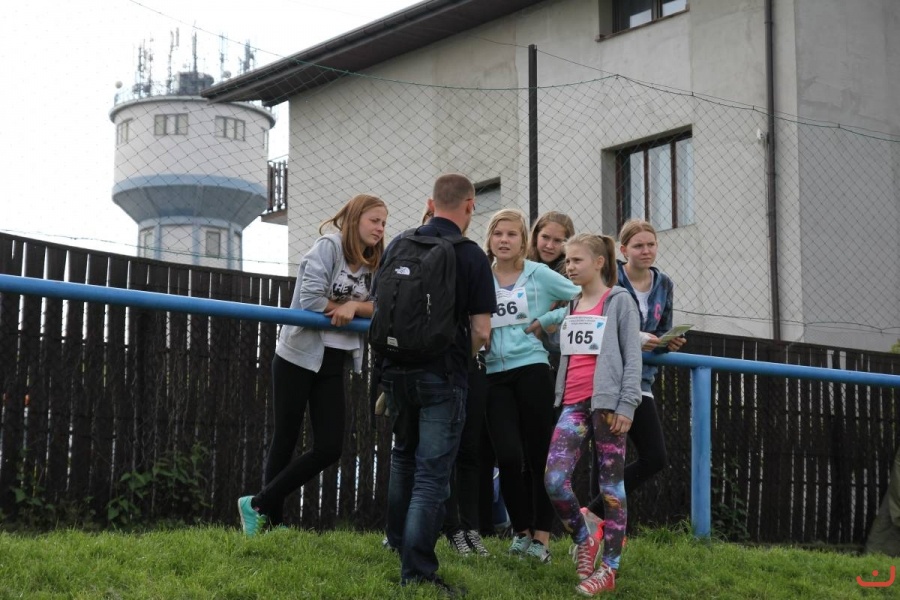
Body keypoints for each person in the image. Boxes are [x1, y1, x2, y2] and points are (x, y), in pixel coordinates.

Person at [237, 194, 387, 534]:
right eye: (374, 220)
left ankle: (256, 503)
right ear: (355, 220)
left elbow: (381, 306)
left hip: (334, 360)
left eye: (383, 222)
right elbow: (310, 299)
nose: (380, 228)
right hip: (297, 355)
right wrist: (345, 307)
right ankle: (271, 522)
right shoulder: (329, 248)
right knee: (286, 438)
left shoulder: (375, 262)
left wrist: (354, 308)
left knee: (330, 446)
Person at [380, 174, 494, 595]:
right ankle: (417, 572)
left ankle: (395, 543)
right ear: (470, 206)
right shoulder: (470, 254)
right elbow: (481, 330)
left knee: (402, 457)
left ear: (431, 203)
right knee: (432, 475)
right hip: (443, 375)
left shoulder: (400, 243)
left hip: (395, 370)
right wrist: (465, 359)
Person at [543, 233, 642, 596]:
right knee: (555, 480)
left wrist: (627, 404)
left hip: (607, 406)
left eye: (576, 260)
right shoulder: (571, 305)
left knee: (612, 489)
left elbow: (632, 356)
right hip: (572, 405)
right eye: (567, 261)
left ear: (599, 262)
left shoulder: (619, 301)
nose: (569, 267)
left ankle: (609, 569)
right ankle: (584, 539)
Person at [482, 208, 579, 563]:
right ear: (490, 239)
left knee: (539, 457)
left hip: (532, 369)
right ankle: (520, 531)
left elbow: (585, 296)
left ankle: (542, 538)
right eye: (498, 234)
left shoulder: (538, 273)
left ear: (523, 240)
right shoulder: (481, 276)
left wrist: (547, 318)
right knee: (508, 456)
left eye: (511, 234)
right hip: (493, 373)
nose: (504, 240)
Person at [583, 219, 686, 524]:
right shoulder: (610, 278)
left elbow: (662, 329)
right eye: (638, 246)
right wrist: (639, 338)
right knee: (604, 457)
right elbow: (599, 322)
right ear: (624, 249)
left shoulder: (664, 283)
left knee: (655, 458)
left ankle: (592, 513)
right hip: (606, 376)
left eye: (651, 244)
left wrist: (668, 342)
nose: (646, 251)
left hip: (641, 380)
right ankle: (599, 529)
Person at [527, 211, 575, 275]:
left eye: (557, 240)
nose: (549, 246)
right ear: (536, 236)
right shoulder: (520, 262)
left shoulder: (572, 272)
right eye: (545, 237)